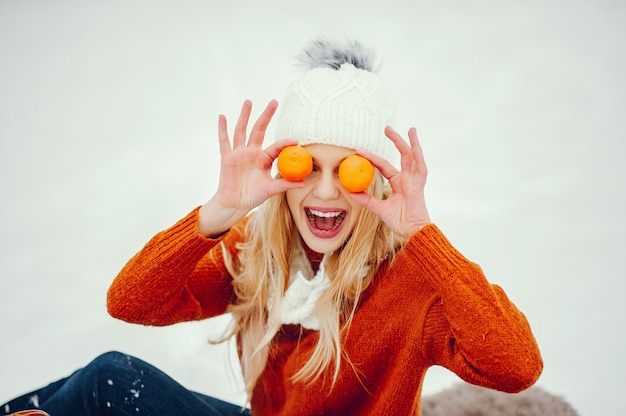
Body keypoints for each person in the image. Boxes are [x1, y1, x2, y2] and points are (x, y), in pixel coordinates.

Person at [2, 38, 543, 416]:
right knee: (106, 378)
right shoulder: (257, 253)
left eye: (350, 171)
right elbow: (129, 302)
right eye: (307, 167)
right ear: (283, 173)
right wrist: (216, 214)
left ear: (377, 182)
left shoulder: (410, 282)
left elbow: (517, 365)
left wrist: (424, 236)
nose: (327, 191)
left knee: (104, 383)